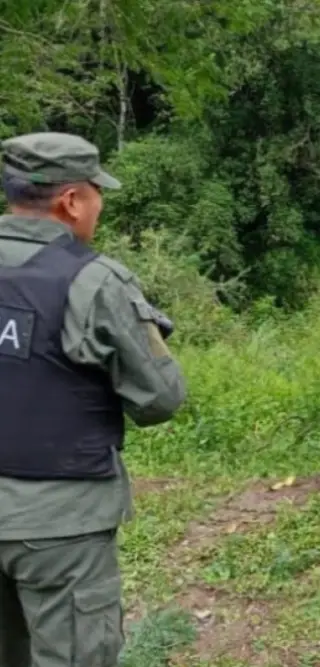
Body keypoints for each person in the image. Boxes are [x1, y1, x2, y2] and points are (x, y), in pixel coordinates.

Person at [0, 132, 187, 667]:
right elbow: (160, 399)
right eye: (96, 192)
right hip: (59, 524)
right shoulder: (93, 281)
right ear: (72, 201)